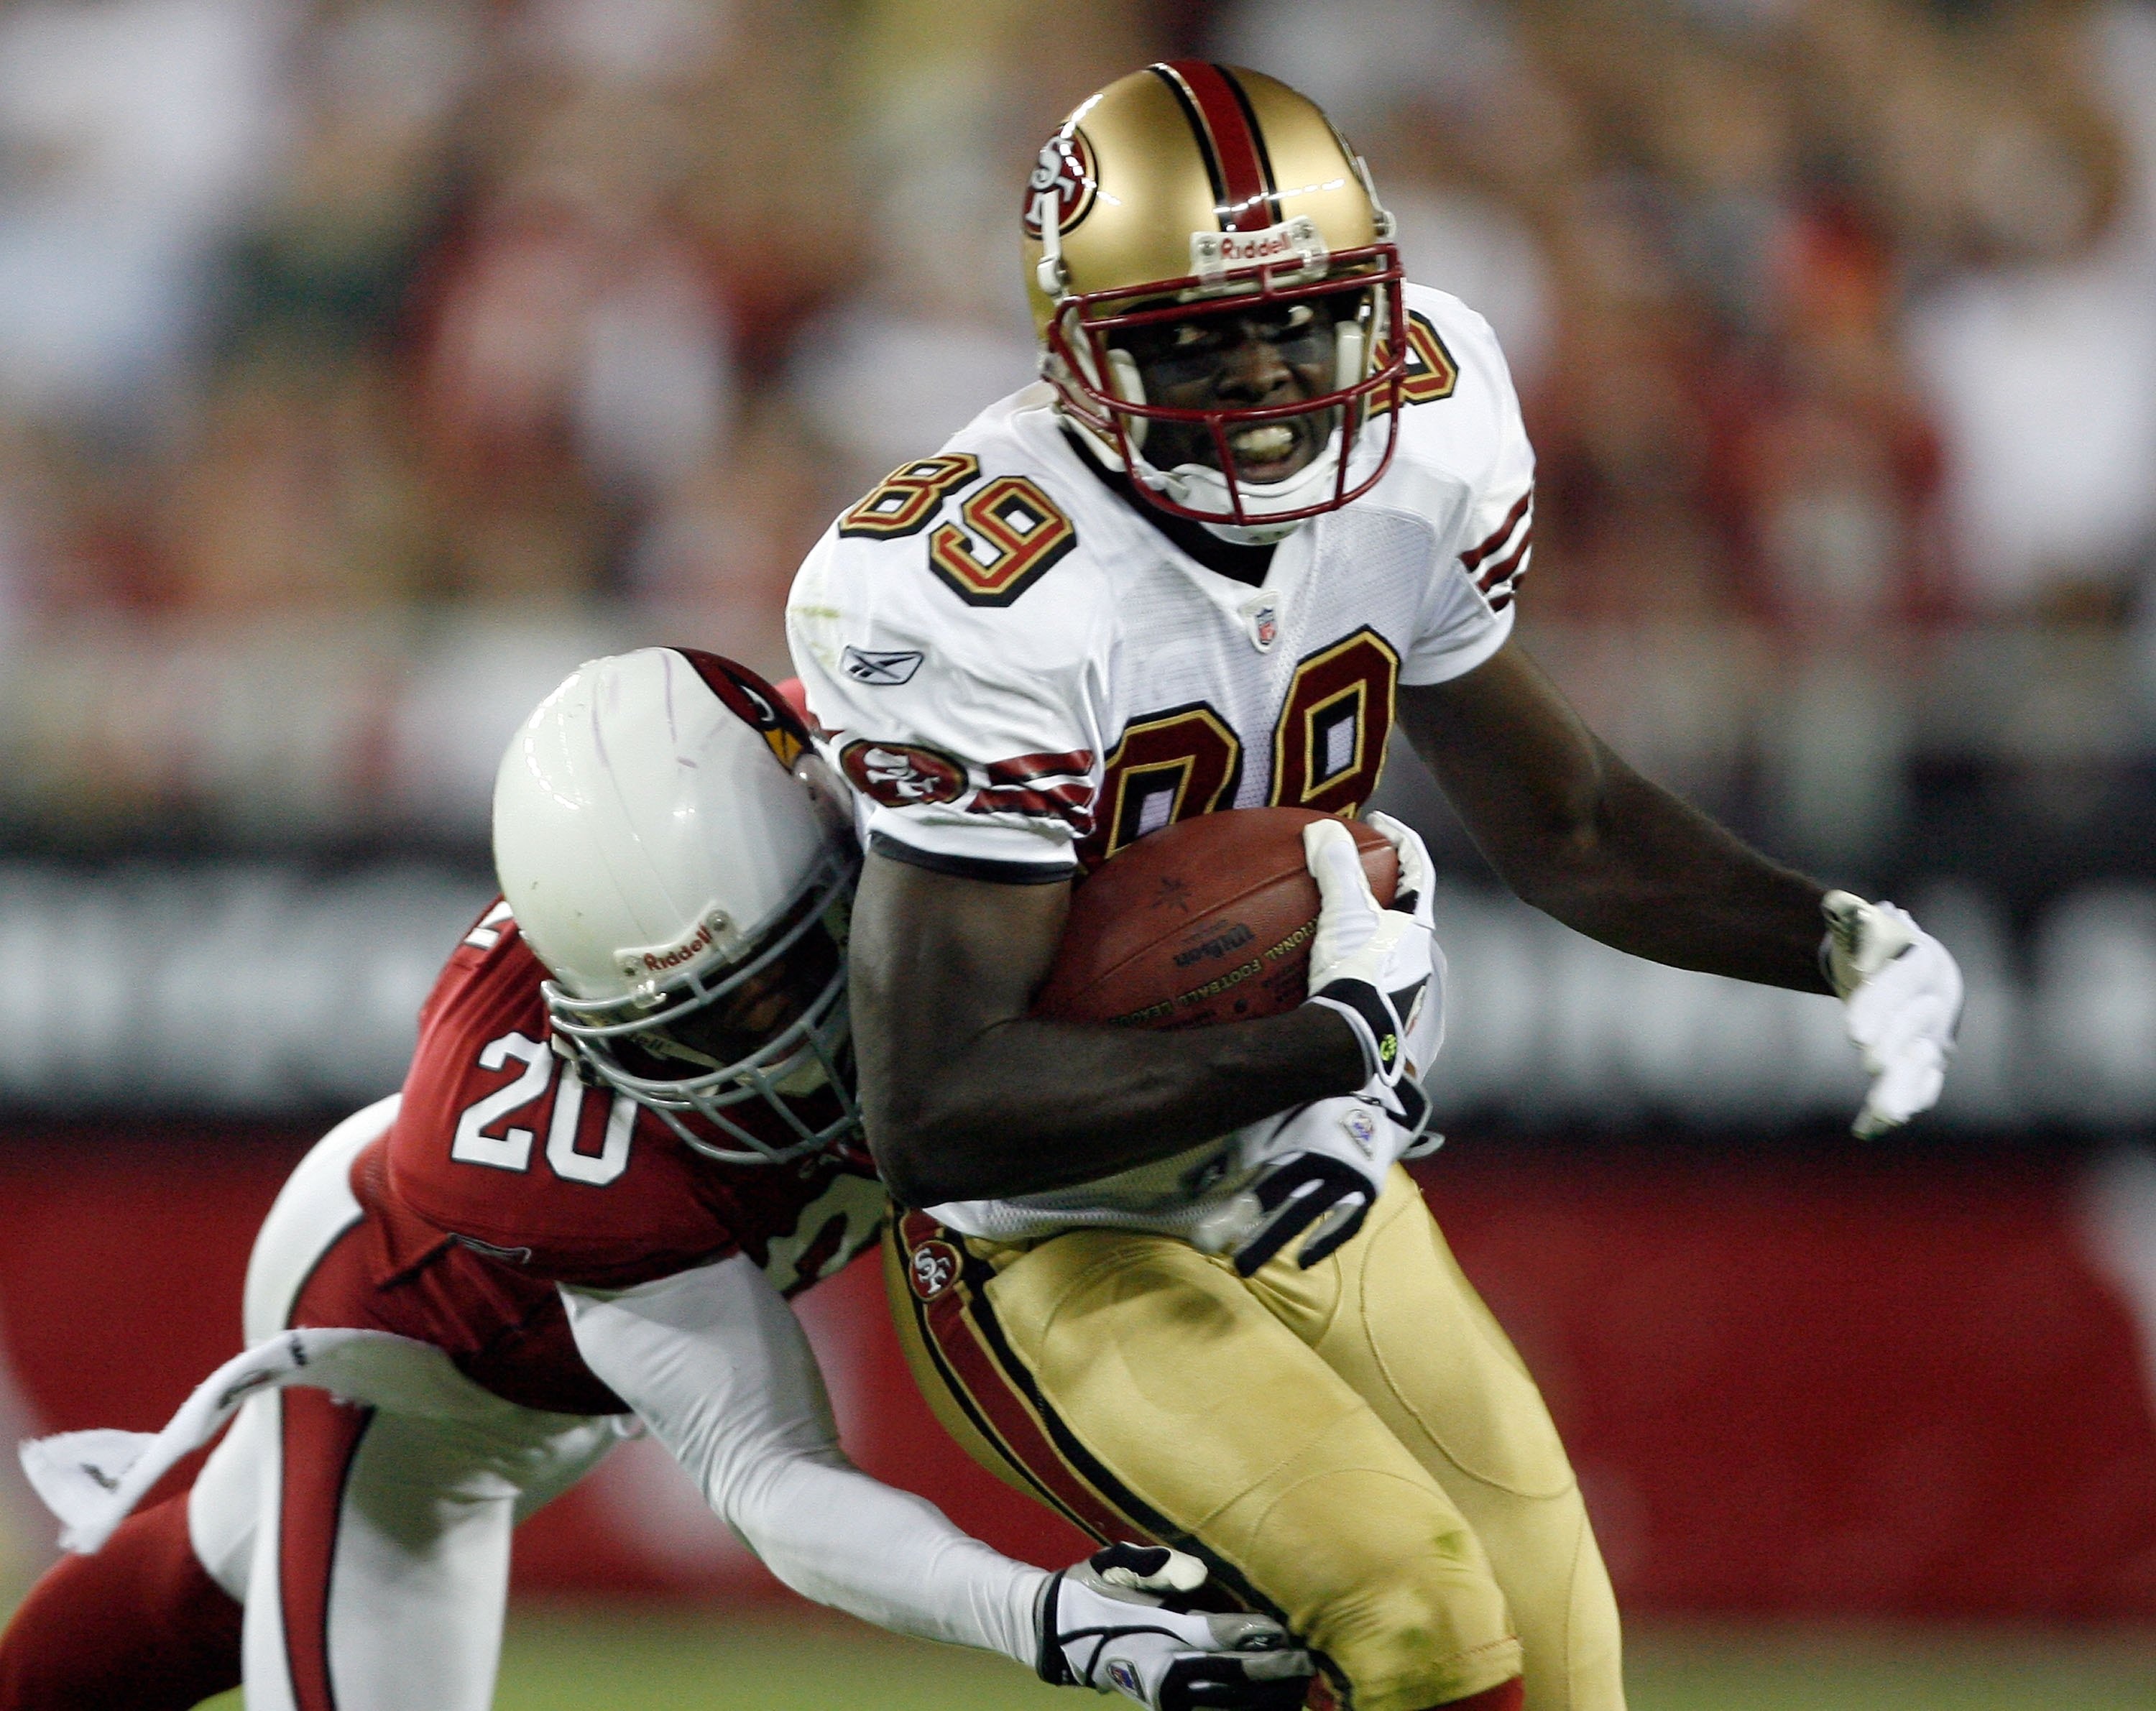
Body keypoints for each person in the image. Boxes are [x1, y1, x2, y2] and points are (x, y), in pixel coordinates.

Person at [786, 62, 1965, 1711]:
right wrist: (1328, 1046)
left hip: (1310, 1172)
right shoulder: (976, 589)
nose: (1266, 375)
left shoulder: (1429, 432)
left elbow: (1570, 826)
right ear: (1078, 354)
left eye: (1304, 319)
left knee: (1565, 1662)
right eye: (1197, 338)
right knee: (1418, 1625)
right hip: (1050, 1238)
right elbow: (938, 1109)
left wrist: (1837, 942)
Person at [0, 647, 1311, 1711]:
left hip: (548, 1386)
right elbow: (768, 1470)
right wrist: (1047, 1617)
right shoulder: (543, 1143)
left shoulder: (912, 779)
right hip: (399, 1374)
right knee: (306, 1554)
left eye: (781, 989)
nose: (762, 1063)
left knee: (197, 1581)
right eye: (690, 1034)